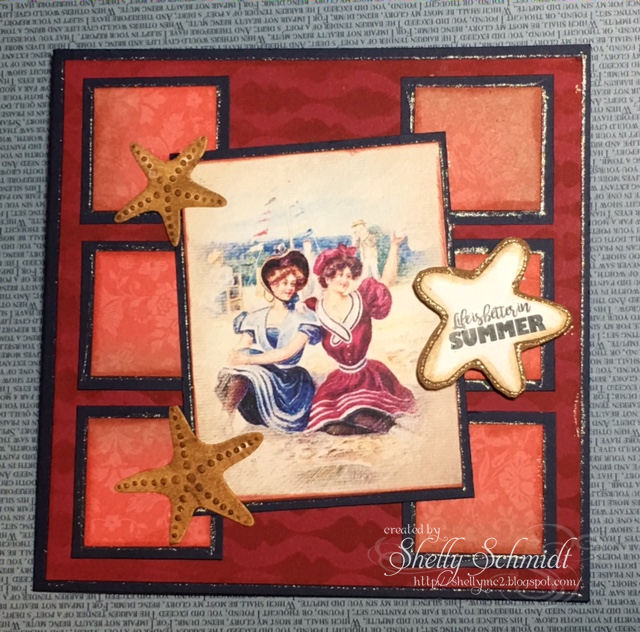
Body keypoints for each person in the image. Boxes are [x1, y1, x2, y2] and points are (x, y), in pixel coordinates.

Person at [305, 241, 417, 435]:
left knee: (357, 413)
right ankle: (378, 426)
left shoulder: (363, 298)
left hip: (368, 377)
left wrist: (394, 246)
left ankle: (391, 428)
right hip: (340, 381)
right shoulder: (314, 309)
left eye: (348, 276)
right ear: (327, 277)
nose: (344, 280)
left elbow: (387, 281)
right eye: (339, 275)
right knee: (330, 427)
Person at [215, 251, 322, 433]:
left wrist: (247, 360)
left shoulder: (305, 317)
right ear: (271, 284)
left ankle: (228, 416)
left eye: (293, 284)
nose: (289, 288)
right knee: (237, 368)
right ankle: (227, 416)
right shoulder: (255, 317)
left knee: (247, 363)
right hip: (264, 375)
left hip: (290, 386)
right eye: (284, 283)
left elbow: (286, 353)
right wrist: (236, 355)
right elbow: (243, 345)